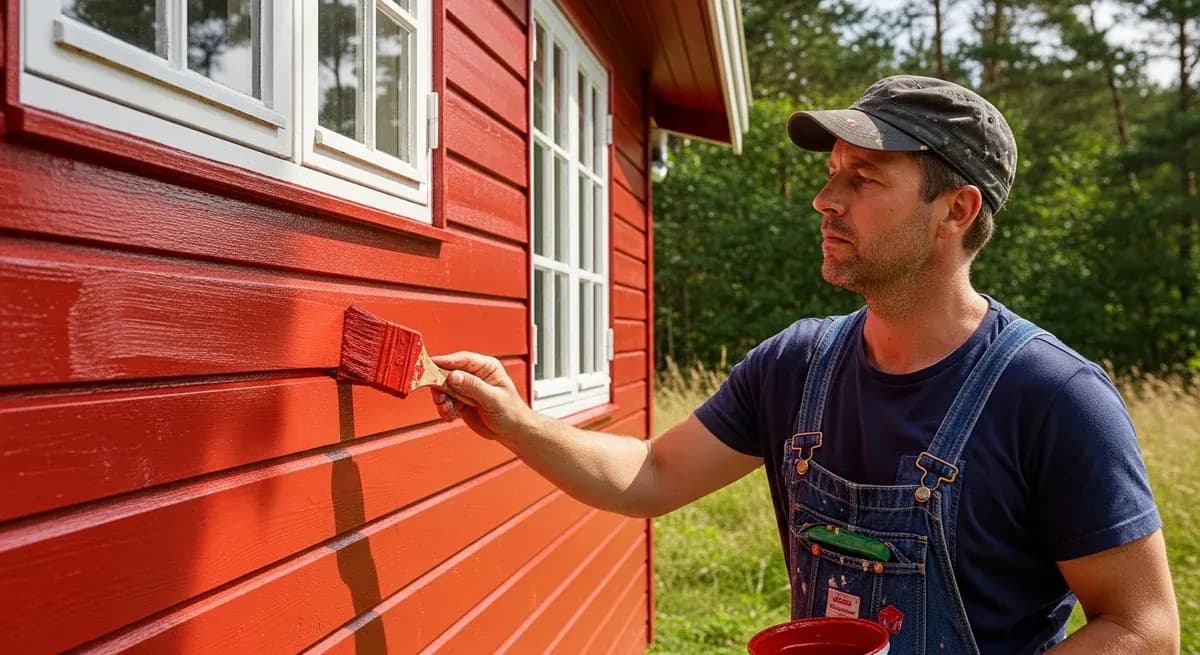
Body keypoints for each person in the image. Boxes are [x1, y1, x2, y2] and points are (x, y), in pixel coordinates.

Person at [430, 75, 1180, 654]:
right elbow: (651, 473)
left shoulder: (1053, 396)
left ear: (955, 211)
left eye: (863, 179)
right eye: (831, 173)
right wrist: (513, 420)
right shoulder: (795, 364)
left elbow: (1144, 627)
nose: (824, 199)